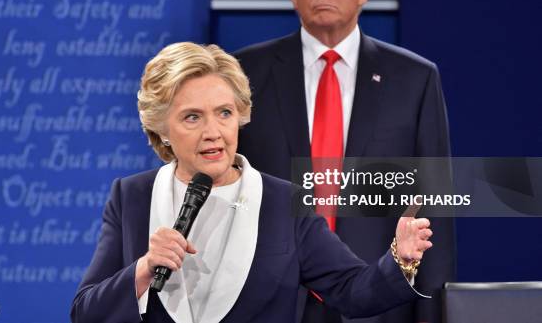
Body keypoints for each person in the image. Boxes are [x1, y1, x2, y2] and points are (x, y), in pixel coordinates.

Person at [70, 42, 434, 323]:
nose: (213, 132)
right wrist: (144, 269)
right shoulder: (132, 196)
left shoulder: (282, 203)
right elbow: (86, 311)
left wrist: (399, 260)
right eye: (192, 117)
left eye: (224, 113)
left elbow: (352, 292)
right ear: (162, 131)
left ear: (240, 116)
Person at [234, 0, 455, 323]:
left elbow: (433, 203)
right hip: (271, 300)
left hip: (380, 299)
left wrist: (432, 310)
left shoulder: (414, 79)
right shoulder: (244, 74)